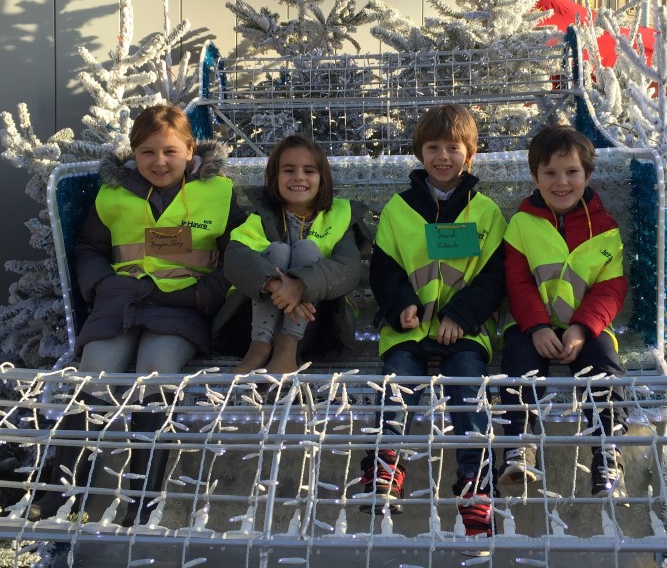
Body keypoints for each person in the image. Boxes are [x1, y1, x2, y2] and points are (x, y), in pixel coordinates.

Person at [29, 104, 246, 524]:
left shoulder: (219, 191)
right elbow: (89, 248)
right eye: (147, 152)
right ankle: (62, 488)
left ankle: (142, 494)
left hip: (183, 304)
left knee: (156, 373)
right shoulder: (113, 193)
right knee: (94, 372)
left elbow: (240, 249)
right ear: (133, 152)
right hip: (121, 300)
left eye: (169, 151)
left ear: (189, 150)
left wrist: (206, 294)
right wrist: (101, 284)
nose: (159, 162)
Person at [359, 104, 506, 538]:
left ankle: (476, 485)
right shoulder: (398, 210)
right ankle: (386, 468)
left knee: (466, 389)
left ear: (470, 153)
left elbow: (495, 276)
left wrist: (461, 316)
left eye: (453, 147)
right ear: (420, 153)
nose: (443, 156)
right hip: (408, 328)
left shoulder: (486, 213)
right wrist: (400, 305)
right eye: (433, 147)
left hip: (465, 331)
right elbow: (384, 270)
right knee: (398, 384)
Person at [498, 126, 628, 497]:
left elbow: (610, 287)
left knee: (604, 366)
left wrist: (582, 328)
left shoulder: (605, 227)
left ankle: (607, 454)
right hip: (529, 325)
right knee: (519, 367)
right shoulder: (522, 224)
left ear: (587, 176)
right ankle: (520, 448)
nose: (561, 182)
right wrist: (537, 326)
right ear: (535, 177)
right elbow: (518, 282)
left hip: (586, 327)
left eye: (571, 172)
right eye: (550, 173)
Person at [223, 135, 370, 374]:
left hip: (318, 326)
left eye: (309, 171)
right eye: (288, 170)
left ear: (322, 180)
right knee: (279, 250)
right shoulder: (261, 217)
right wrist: (275, 284)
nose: (299, 177)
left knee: (307, 249)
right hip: (251, 323)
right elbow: (235, 257)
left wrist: (301, 285)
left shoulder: (339, 217)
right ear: (274, 178)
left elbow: (348, 268)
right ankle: (259, 348)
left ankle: (286, 350)